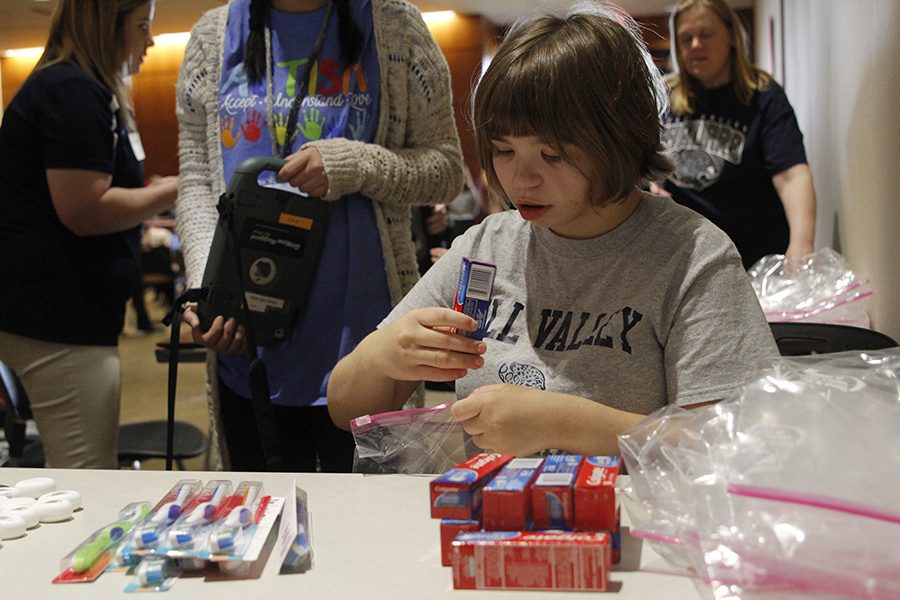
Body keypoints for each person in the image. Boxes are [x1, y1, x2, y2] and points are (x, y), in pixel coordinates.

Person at [326, 4, 779, 458]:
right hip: (487, 517)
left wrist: (563, 423)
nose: (520, 180)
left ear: (619, 139)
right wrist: (382, 356)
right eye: (503, 150)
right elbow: (345, 408)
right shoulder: (485, 247)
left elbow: (735, 442)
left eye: (554, 156)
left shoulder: (692, 255)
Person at [175, 0, 463, 472]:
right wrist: (210, 289)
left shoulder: (395, 28)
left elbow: (446, 170)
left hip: (367, 356)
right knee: (261, 530)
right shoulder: (213, 36)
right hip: (248, 353)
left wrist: (355, 164)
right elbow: (198, 184)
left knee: (366, 534)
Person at [0, 0, 177, 468]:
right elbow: (85, 209)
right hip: (59, 323)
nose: (150, 40)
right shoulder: (71, 89)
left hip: (62, 316)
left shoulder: (73, 87)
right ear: (105, 24)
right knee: (84, 479)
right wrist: (179, 189)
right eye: (142, 26)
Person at [653, 0, 816, 270]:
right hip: (685, 255)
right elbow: (644, 162)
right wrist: (654, 185)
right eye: (686, 38)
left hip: (753, 257)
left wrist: (801, 244)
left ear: (731, 36)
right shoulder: (664, 97)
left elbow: (791, 175)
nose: (695, 45)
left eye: (706, 34)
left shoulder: (763, 96)